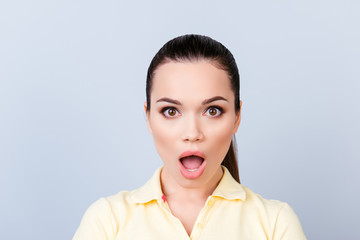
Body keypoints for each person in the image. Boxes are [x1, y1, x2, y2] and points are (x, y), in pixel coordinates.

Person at [73, 34, 306, 239]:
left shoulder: (275, 223)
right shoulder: (106, 221)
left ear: (236, 117)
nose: (192, 133)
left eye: (212, 111)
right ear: (148, 117)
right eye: (171, 111)